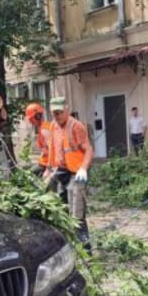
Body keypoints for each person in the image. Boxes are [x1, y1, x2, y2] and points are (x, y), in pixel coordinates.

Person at [46, 96, 94, 254]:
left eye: (60, 112)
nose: (57, 115)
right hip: (60, 171)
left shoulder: (76, 126)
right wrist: (48, 169)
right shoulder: (53, 126)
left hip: (76, 173)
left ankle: (86, 251)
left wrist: (84, 168)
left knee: (77, 213)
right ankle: (70, 247)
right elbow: (53, 149)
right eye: (54, 113)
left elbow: (88, 149)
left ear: (67, 110)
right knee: (61, 210)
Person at [25, 103, 51, 176]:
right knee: (24, 168)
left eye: (31, 119)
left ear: (37, 116)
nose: (30, 121)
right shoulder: (41, 128)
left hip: (47, 165)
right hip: (43, 162)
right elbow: (44, 150)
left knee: (26, 175)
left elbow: (51, 149)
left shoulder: (45, 129)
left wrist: (49, 169)